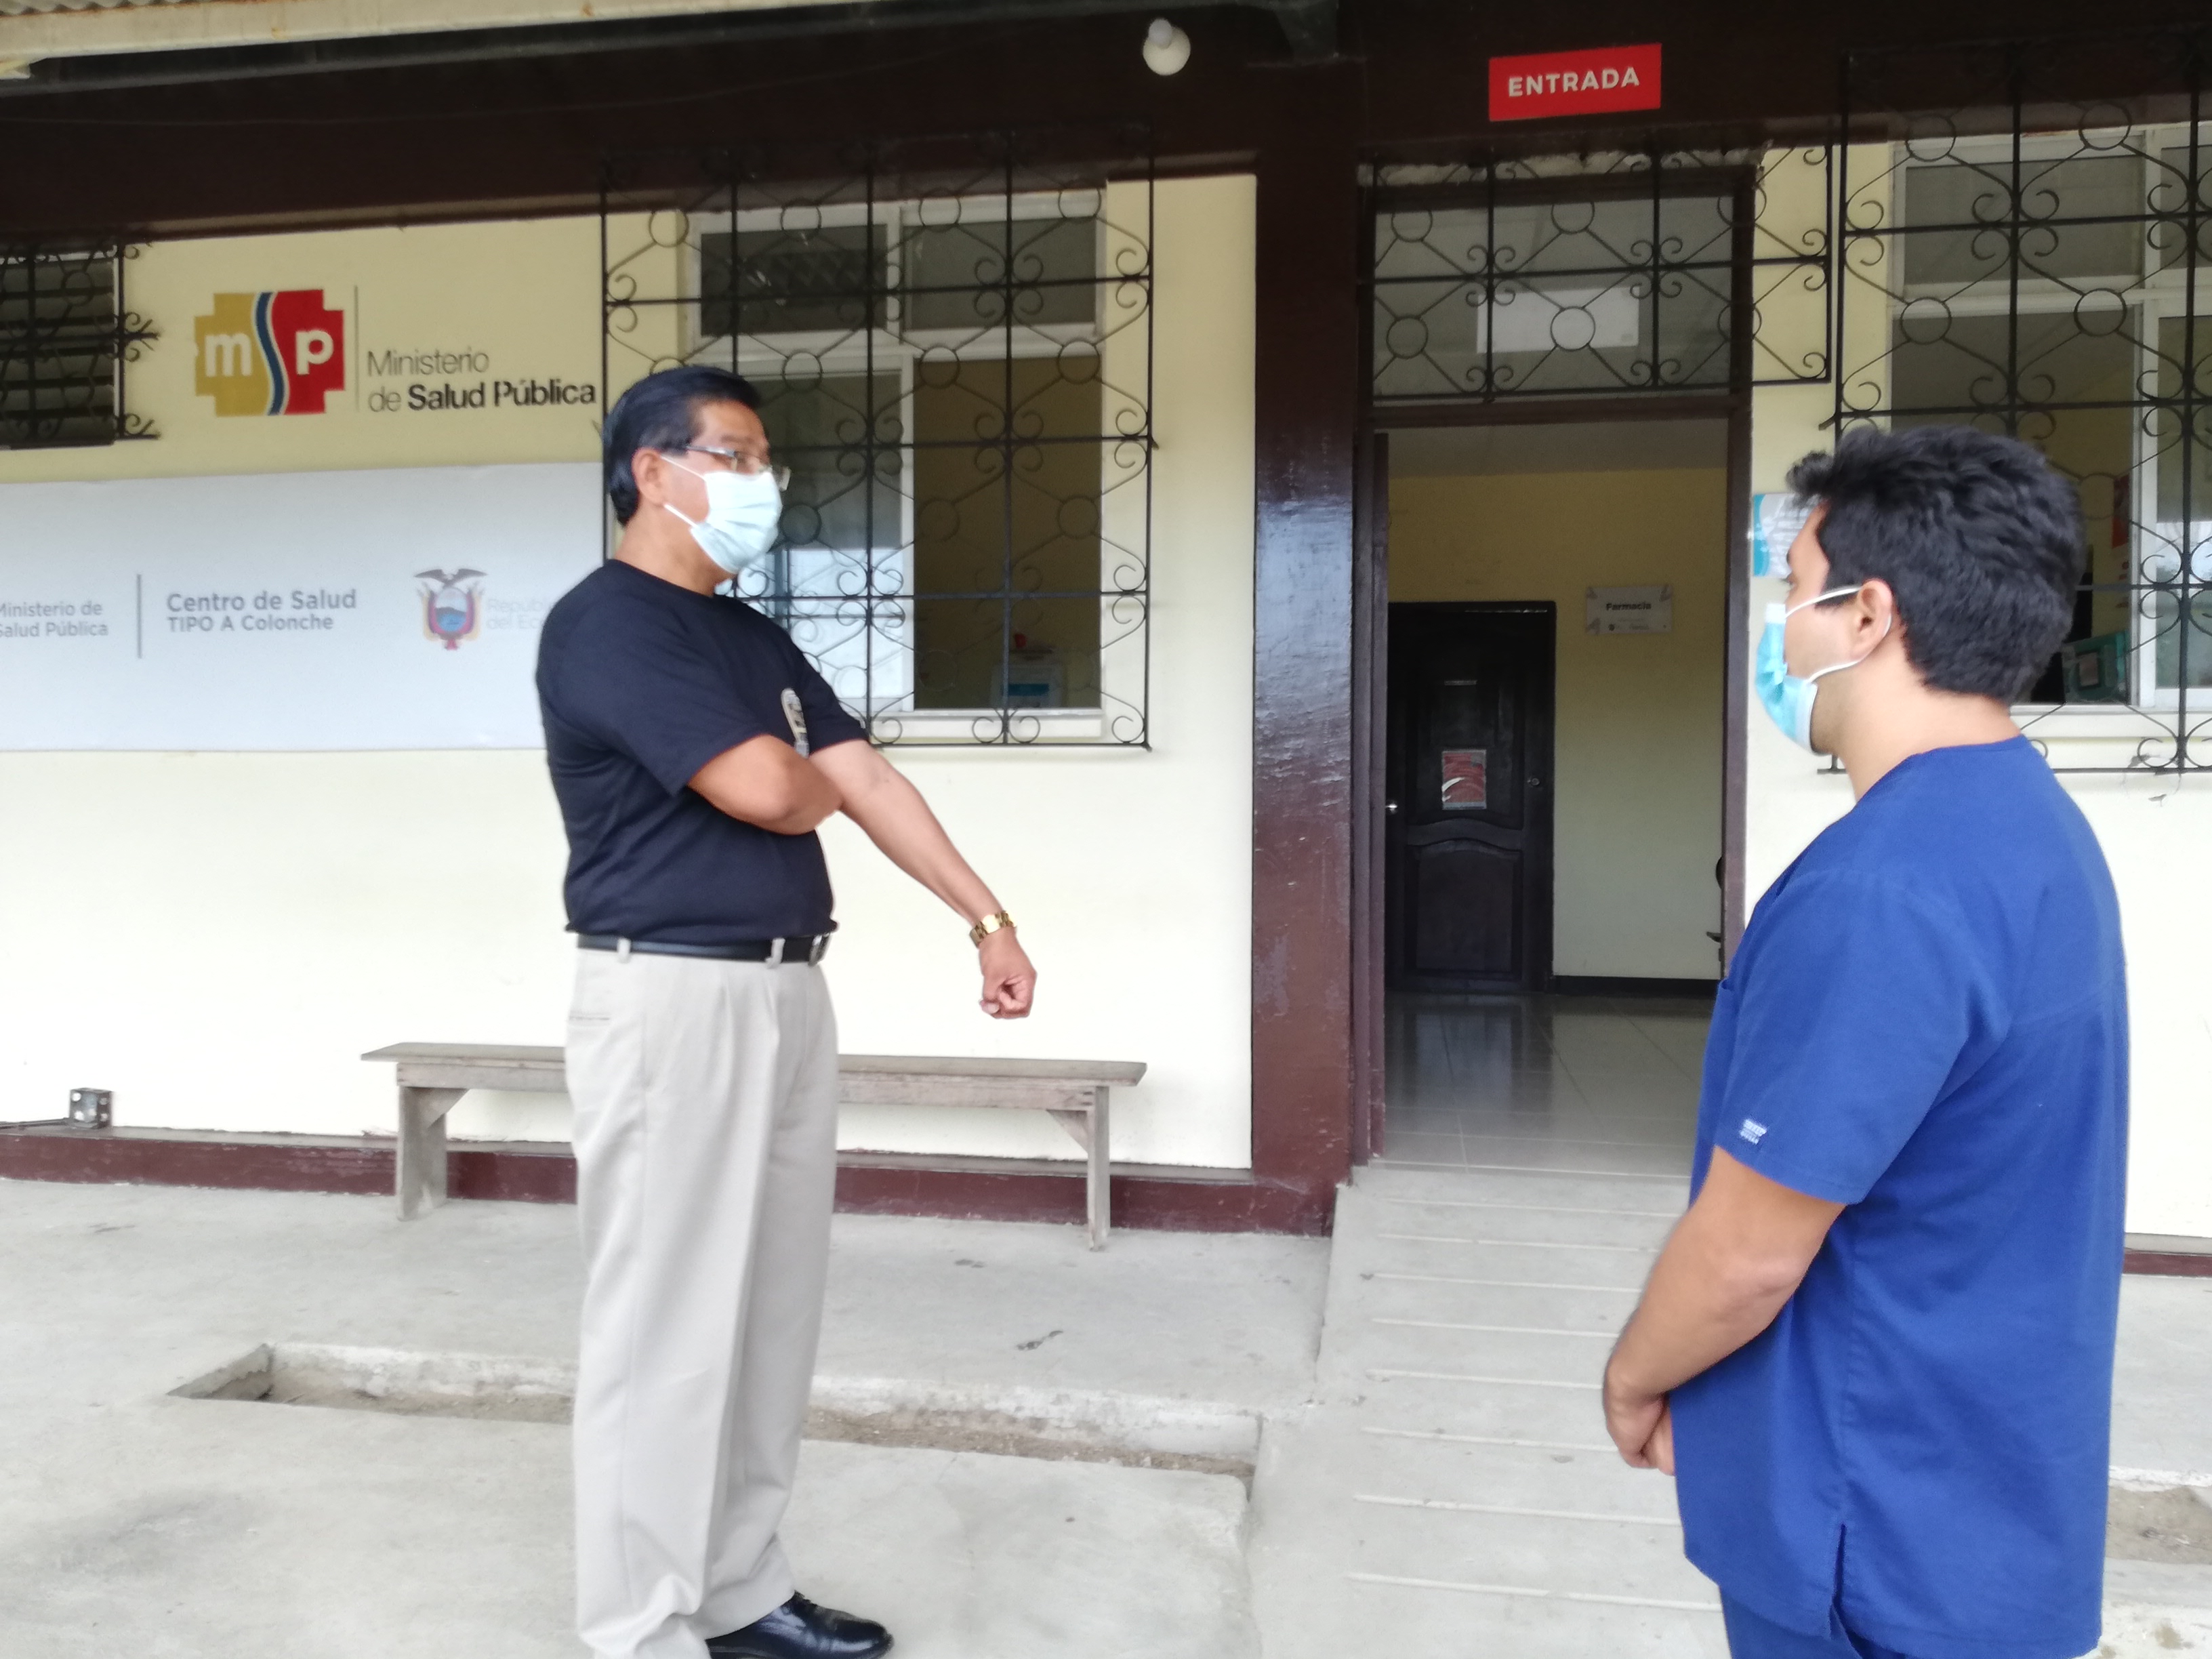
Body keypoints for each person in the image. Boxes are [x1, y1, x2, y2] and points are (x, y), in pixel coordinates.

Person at [1600, 424, 2127, 1659]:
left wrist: (1634, 1376)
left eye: (1794, 592)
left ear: (1870, 614)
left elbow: (1749, 1255)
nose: (1782, 634)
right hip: (1983, 1493)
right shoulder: (2031, 823)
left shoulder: (1880, 888)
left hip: (1870, 1518)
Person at [537, 364, 1038, 1659]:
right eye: (738, 455)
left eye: (766, 461)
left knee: (767, 1315)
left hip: (784, 988)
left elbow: (863, 775)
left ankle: (739, 1590)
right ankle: (641, 1626)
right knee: (664, 1325)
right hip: (671, 998)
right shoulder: (607, 625)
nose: (765, 481)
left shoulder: (749, 637)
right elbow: (775, 791)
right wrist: (809, 777)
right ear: (653, 471)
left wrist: (985, 918)